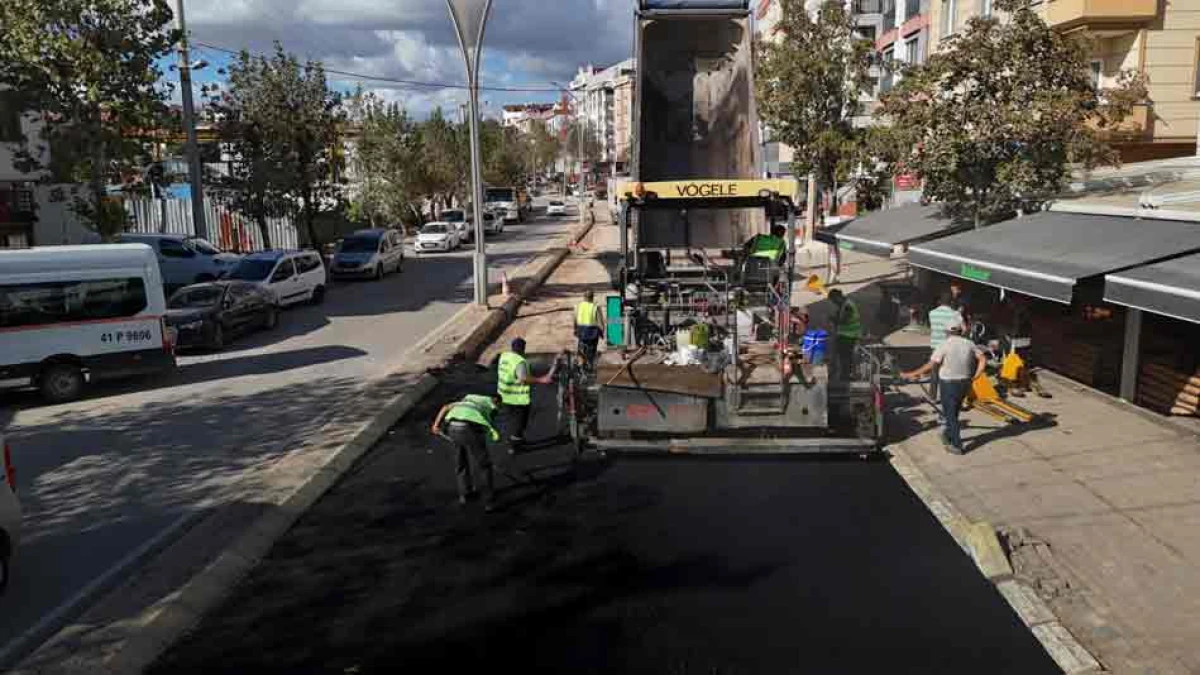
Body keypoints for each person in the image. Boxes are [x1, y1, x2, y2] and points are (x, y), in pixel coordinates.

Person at [902, 321, 987, 455]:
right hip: (965, 382)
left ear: (946, 332)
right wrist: (976, 375)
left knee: (950, 415)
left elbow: (931, 365)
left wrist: (911, 374)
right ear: (960, 331)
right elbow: (983, 359)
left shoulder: (944, 345)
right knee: (954, 412)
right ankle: (947, 435)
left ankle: (957, 445)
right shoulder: (969, 343)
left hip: (949, 384)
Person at [431, 394, 502, 510]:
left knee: (460, 462)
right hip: (470, 428)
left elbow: (445, 407)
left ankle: (464, 494)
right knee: (484, 466)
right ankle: (489, 502)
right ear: (496, 402)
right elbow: (487, 428)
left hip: (452, 428)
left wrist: (435, 425)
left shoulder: (465, 401)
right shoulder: (491, 406)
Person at [497, 337, 558, 455]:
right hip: (517, 398)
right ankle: (514, 446)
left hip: (504, 394)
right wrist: (541, 380)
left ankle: (513, 440)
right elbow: (523, 379)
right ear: (523, 348)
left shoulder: (504, 356)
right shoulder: (519, 361)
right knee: (519, 422)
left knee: (510, 420)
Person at [927, 292, 965, 400]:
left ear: (939, 301)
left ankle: (932, 396)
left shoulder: (932, 313)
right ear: (951, 302)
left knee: (934, 371)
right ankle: (948, 395)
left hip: (935, 345)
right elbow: (964, 329)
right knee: (949, 372)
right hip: (950, 346)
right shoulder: (955, 314)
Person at [828, 289, 861, 381]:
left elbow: (844, 320)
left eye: (834, 300)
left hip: (848, 335)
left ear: (838, 297)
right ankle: (845, 374)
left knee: (845, 356)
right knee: (844, 356)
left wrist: (833, 319)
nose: (834, 303)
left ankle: (846, 375)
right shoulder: (844, 304)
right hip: (846, 334)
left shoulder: (847, 306)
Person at [574, 290, 605, 369]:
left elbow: (575, 319)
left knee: (581, 349)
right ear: (592, 298)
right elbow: (600, 322)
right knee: (592, 350)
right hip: (592, 332)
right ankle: (590, 364)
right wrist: (602, 332)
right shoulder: (595, 307)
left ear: (584, 297)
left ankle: (581, 364)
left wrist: (575, 330)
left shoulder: (578, 306)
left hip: (581, 331)